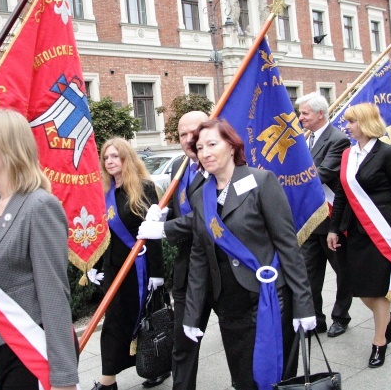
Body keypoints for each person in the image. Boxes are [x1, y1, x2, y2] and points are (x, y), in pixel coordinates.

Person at [139, 119, 315, 390]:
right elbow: (199, 256)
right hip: (230, 306)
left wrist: (304, 304)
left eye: (212, 144)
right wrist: (192, 316)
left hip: (267, 299)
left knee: (273, 375)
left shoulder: (261, 181)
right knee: (243, 377)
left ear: (232, 146)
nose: (205, 152)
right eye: (199, 147)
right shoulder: (201, 196)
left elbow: (288, 246)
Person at [0, 109, 78, 390]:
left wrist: (64, 377)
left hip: (33, 351)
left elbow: (54, 295)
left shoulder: (39, 206)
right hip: (5, 350)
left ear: (8, 148)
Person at [327, 103, 391, 369]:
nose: (347, 127)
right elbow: (341, 194)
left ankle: (379, 342)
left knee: (378, 288)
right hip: (353, 229)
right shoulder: (348, 155)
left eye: (351, 122)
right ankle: (386, 318)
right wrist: (333, 228)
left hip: (380, 229)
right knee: (359, 289)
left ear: (364, 123)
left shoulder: (387, 153)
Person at [90, 137, 165, 390]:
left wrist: (158, 273)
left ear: (126, 158)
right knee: (115, 322)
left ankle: (157, 364)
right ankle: (109, 379)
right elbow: (102, 234)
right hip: (114, 269)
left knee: (148, 322)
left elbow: (152, 232)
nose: (110, 162)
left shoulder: (143, 187)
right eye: (106, 158)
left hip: (138, 271)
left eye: (115, 156)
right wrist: (94, 265)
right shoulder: (105, 190)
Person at [153, 111, 210, 390]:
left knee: (240, 341)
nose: (189, 140)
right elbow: (180, 209)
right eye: (183, 135)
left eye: (195, 132)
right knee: (183, 343)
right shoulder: (180, 167)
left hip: (224, 270)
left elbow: (209, 215)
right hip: (188, 269)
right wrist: (163, 216)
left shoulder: (221, 164)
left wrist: (167, 228)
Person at [295, 93, 352, 337]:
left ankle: (340, 316)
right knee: (309, 274)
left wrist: (290, 180)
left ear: (320, 114)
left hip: (331, 220)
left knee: (342, 272)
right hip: (310, 221)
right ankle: (315, 319)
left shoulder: (338, 140)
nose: (301, 117)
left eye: (305, 113)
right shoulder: (306, 139)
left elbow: (324, 174)